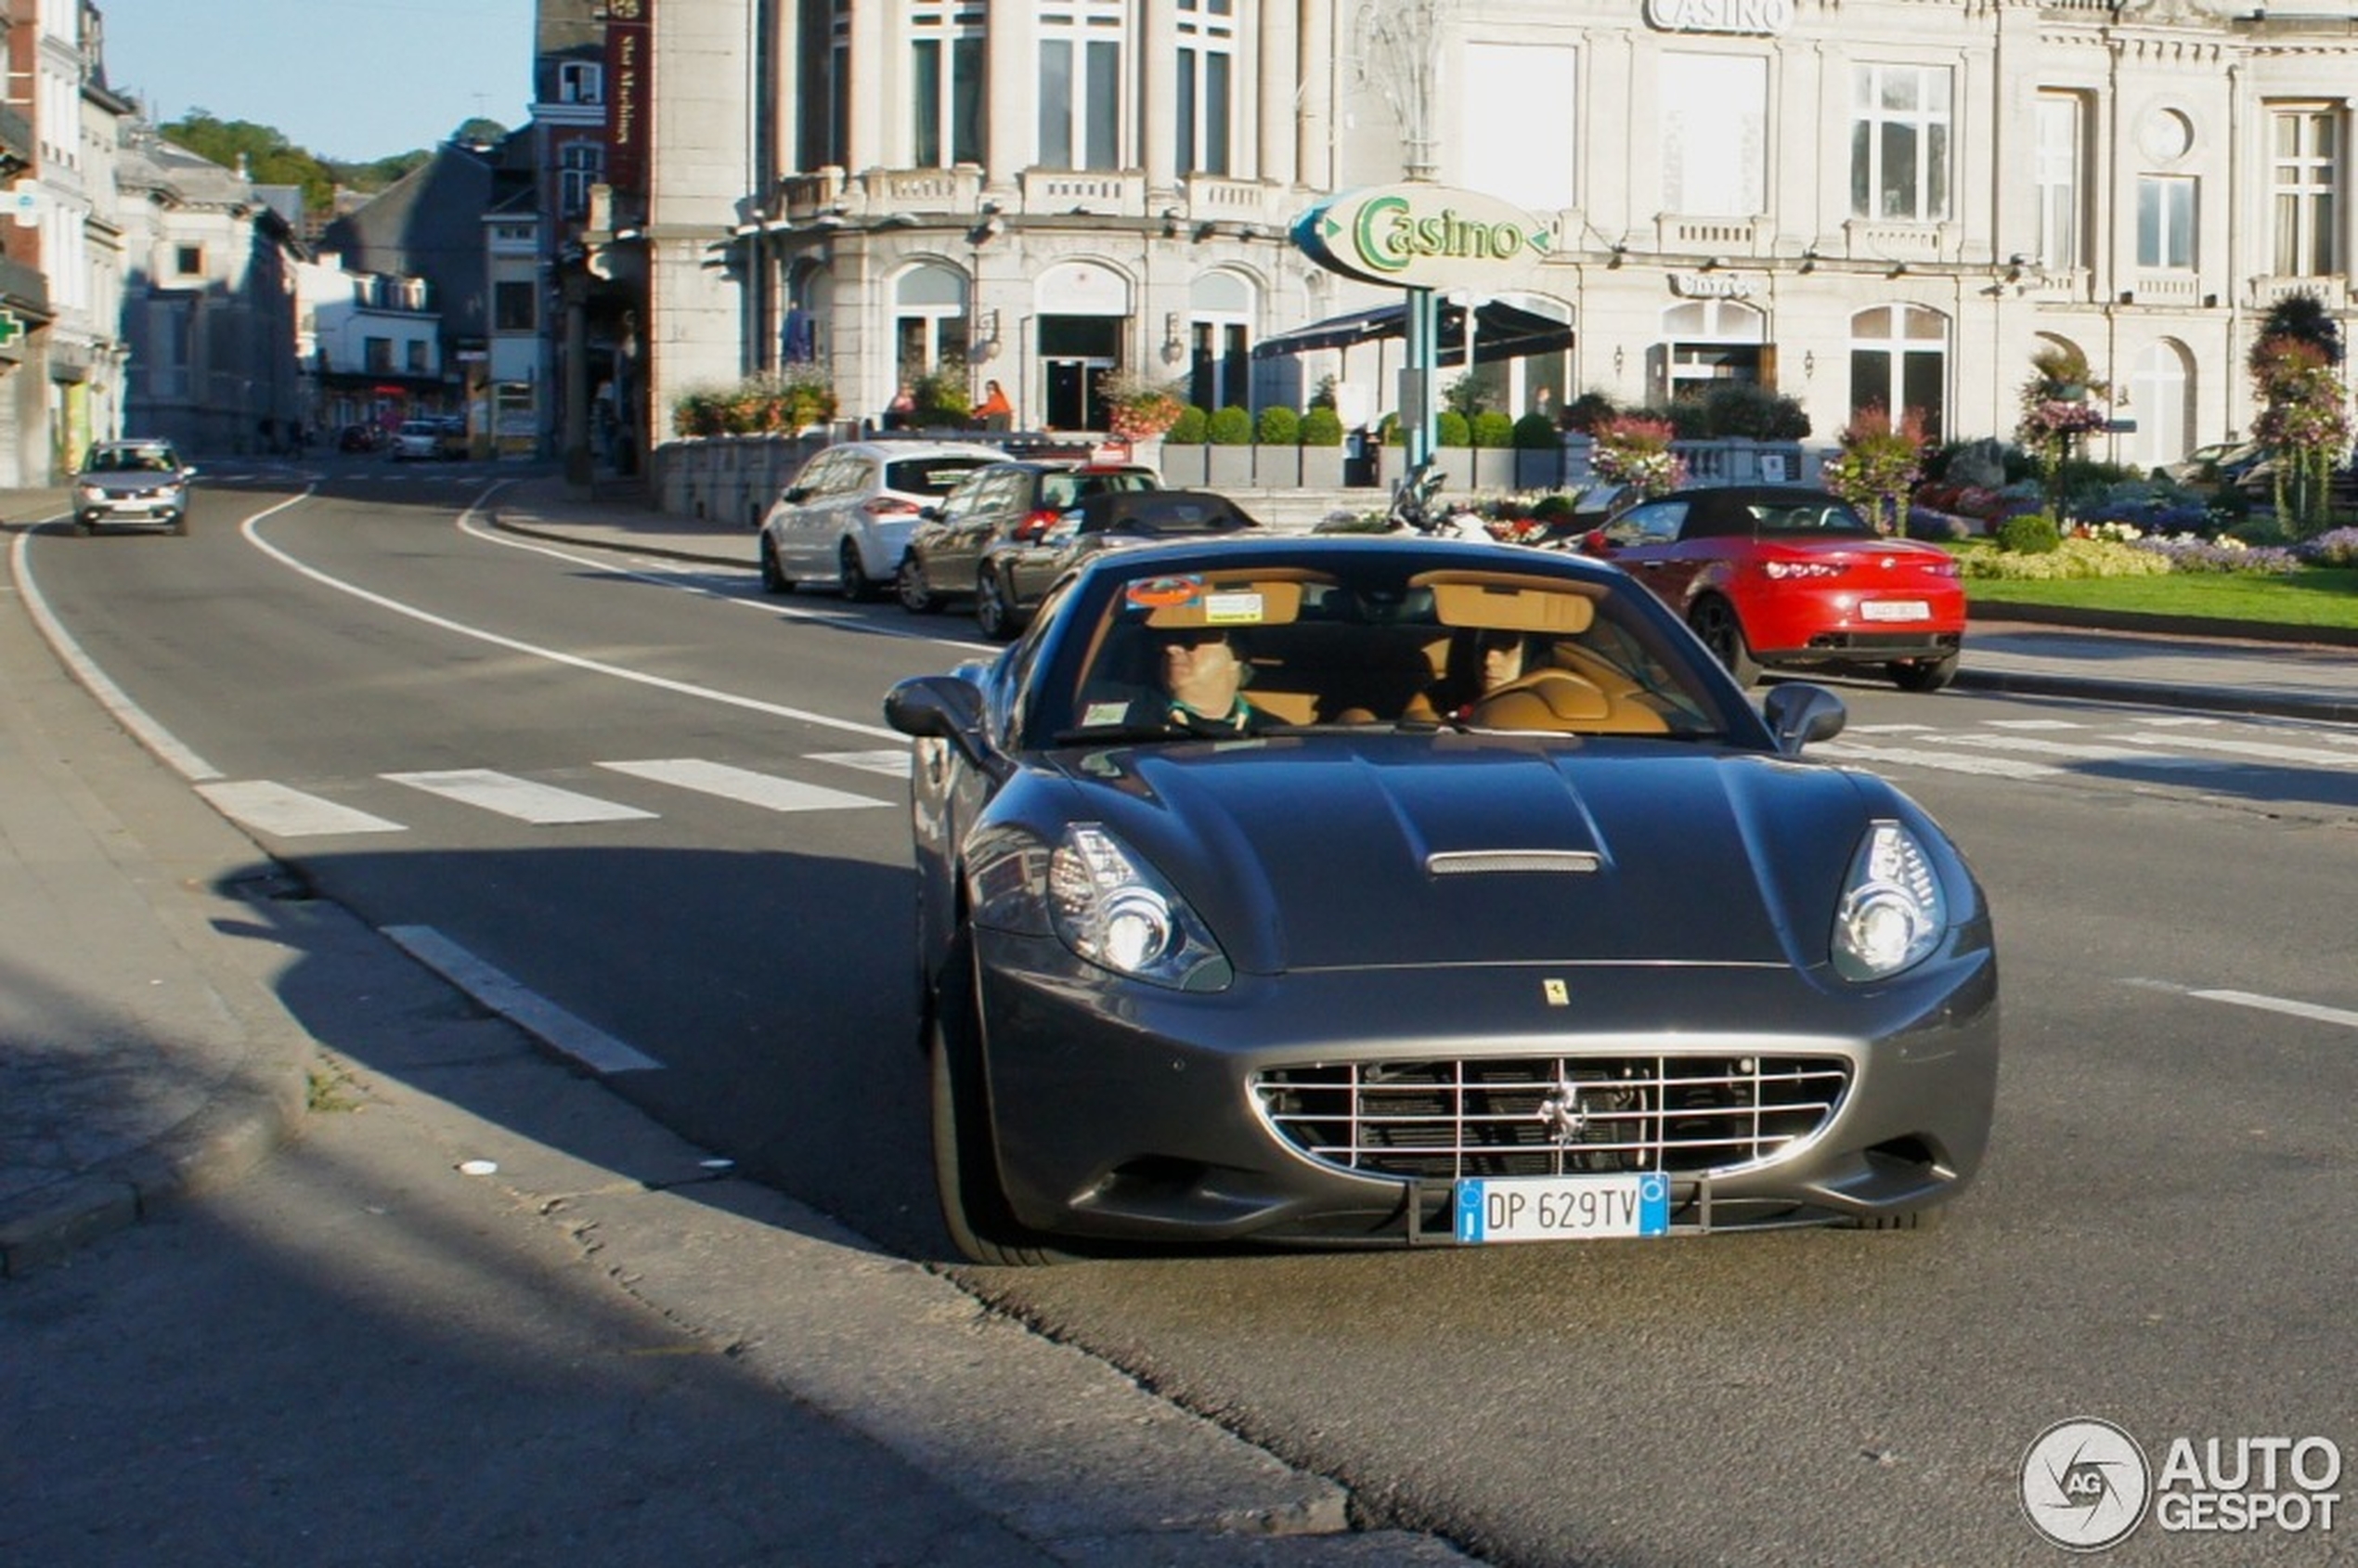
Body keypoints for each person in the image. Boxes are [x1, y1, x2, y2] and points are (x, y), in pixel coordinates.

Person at [1125, 626, 1273, 736]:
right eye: (1164, 640)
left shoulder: (1276, 736)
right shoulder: (1127, 720)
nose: (1171, 648)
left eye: (1189, 640)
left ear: (1237, 656)